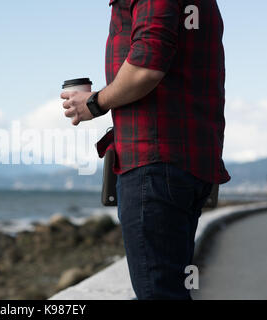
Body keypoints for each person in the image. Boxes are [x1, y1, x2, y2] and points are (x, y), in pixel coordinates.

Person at [61, 0, 230, 300]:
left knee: (159, 294)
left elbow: (146, 67)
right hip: (189, 160)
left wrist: (93, 103)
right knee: (173, 289)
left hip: (154, 161)